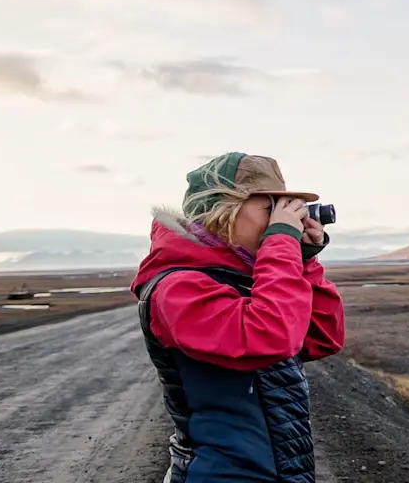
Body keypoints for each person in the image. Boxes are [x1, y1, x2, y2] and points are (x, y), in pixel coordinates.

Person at [131, 152, 346, 483]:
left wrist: (302, 260)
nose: (286, 219)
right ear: (224, 212)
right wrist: (280, 243)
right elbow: (268, 336)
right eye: (271, 208)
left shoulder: (245, 279)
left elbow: (322, 335)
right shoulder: (177, 288)